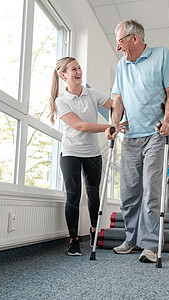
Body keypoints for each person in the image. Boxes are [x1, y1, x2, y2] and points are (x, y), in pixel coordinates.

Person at [106, 19, 169, 263]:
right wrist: (114, 124)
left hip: (155, 134)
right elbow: (118, 100)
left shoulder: (161, 55)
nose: (118, 47)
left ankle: (149, 244)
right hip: (131, 135)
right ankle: (132, 238)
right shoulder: (121, 66)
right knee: (128, 192)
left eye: (120, 41)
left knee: (151, 189)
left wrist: (168, 120)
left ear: (134, 38)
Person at [48, 57, 127, 256]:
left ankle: (93, 232)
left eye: (79, 68)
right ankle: (73, 240)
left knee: (94, 195)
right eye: (73, 69)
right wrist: (110, 127)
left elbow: (116, 105)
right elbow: (80, 126)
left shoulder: (93, 94)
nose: (78, 71)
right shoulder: (61, 101)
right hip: (71, 153)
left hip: (92, 153)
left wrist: (115, 118)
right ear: (64, 75)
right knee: (74, 195)